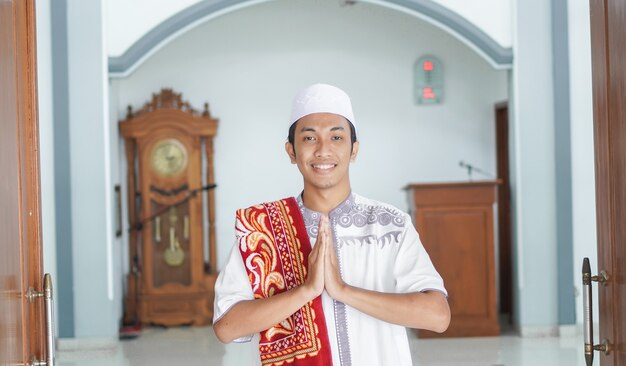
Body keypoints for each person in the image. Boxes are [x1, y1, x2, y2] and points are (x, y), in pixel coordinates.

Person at [213, 83, 450, 366]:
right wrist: (306, 291)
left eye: (336, 137)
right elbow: (226, 327)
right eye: (310, 138)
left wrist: (343, 291)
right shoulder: (261, 229)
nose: (323, 150)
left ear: (354, 149)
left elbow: (438, 316)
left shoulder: (391, 224)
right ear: (291, 151)